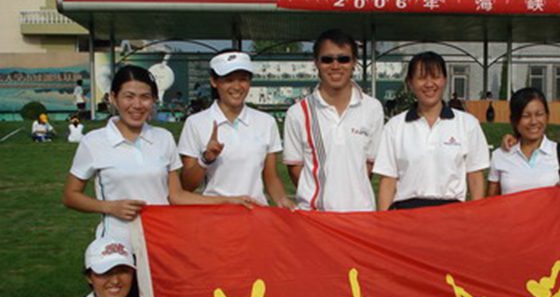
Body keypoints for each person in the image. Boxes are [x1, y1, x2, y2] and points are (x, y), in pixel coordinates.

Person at [63, 64, 256, 242]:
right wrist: (110, 207)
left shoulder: (164, 138)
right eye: (129, 96)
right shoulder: (94, 141)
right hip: (116, 242)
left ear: (154, 100)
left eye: (145, 97)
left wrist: (228, 200)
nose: (137, 105)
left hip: (160, 241)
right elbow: (71, 196)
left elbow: (177, 196)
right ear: (113, 98)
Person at [282, 29, 384, 211]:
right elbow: (295, 166)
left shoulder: (373, 108)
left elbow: (370, 164)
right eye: (327, 59)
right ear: (316, 63)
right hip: (316, 217)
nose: (335, 66)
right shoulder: (297, 113)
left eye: (343, 59)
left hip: (361, 215)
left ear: (354, 63)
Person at [373, 51, 489, 210]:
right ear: (410, 83)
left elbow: (475, 176)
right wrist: (384, 219)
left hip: (451, 213)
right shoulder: (394, 127)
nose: (429, 84)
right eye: (421, 78)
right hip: (406, 214)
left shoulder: (468, 124)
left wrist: (476, 215)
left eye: (435, 77)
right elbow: (388, 180)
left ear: (445, 80)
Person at [178, 51, 293, 208]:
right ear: (214, 81)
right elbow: (186, 185)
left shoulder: (266, 122)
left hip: (255, 213)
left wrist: (282, 200)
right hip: (215, 214)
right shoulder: (195, 123)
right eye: (229, 80)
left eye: (243, 79)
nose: (237, 87)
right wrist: (206, 159)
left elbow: (271, 177)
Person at [488, 87, 560, 196]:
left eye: (539, 114)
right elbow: (491, 201)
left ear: (547, 116)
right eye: (525, 116)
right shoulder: (500, 155)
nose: (533, 121)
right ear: (514, 120)